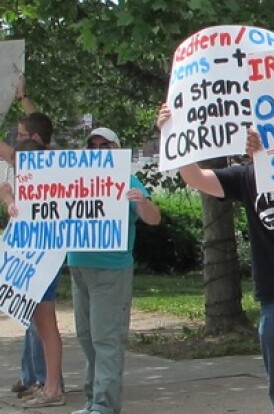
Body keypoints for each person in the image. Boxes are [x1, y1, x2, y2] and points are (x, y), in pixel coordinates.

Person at [157, 107, 274, 414]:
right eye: (251, 132)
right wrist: (171, 133)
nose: (255, 137)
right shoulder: (242, 177)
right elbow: (195, 177)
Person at [67, 127, 161, 414]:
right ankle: (93, 400)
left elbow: (153, 219)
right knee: (86, 337)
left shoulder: (127, 180)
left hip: (111, 270)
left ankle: (104, 405)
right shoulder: (76, 180)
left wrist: (141, 202)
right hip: (79, 268)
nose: (98, 151)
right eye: (92, 146)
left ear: (116, 149)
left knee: (105, 338)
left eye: (104, 146)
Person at [0, 114, 67, 408]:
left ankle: (52, 388)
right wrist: (11, 199)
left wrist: (8, 200)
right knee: (42, 325)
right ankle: (48, 385)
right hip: (35, 258)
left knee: (45, 324)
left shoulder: (46, 169)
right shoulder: (42, 172)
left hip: (42, 261)